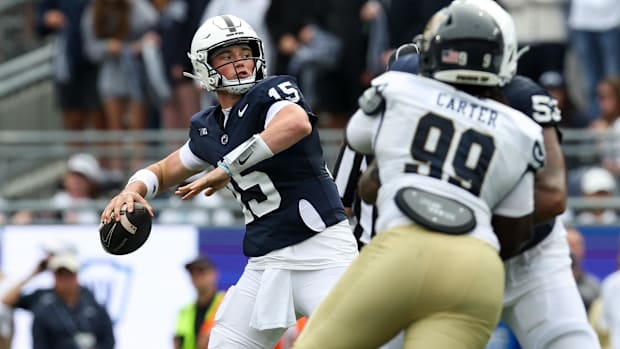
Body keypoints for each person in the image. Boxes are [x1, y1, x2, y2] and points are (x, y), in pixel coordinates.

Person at [294, 1, 545, 347]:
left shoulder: (397, 90)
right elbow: (516, 230)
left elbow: (364, 172)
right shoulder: (521, 129)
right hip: (476, 267)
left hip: (401, 248)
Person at [101, 14, 358, 349]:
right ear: (204, 66)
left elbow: (295, 124)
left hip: (322, 250)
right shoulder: (208, 126)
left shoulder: (274, 93)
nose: (240, 63)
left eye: (244, 52)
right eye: (226, 56)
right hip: (266, 262)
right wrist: (131, 190)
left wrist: (227, 167)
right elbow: (165, 170)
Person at [175, 255, 225, 349]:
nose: (196, 276)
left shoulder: (226, 304)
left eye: (201, 271)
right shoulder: (184, 311)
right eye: (192, 273)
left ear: (214, 274)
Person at [567, 226, 602, 311]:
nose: (575, 249)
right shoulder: (548, 284)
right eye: (570, 245)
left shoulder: (594, 285)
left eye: (578, 244)